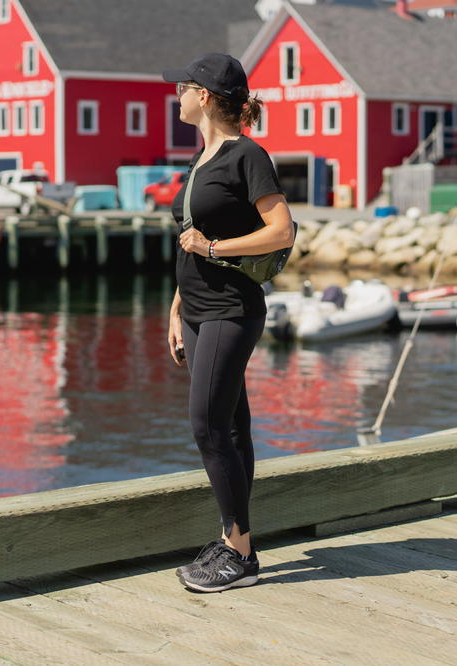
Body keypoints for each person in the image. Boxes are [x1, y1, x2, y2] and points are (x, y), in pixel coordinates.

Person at [163, 53, 295, 592]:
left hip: (230, 310)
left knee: (207, 427)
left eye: (183, 85)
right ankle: (235, 543)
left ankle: (237, 554)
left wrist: (214, 245)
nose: (176, 93)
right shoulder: (200, 161)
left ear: (207, 96)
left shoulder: (247, 156)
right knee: (232, 427)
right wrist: (175, 307)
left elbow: (281, 231)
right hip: (195, 311)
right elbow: (189, 244)